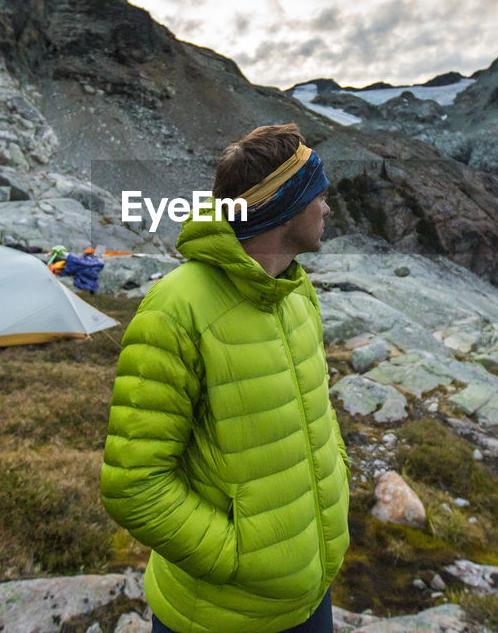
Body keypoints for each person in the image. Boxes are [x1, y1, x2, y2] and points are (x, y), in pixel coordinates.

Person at [100, 124, 350, 633]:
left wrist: (335, 485)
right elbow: (133, 485)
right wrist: (239, 558)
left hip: (310, 594)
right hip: (220, 615)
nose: (327, 208)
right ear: (284, 204)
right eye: (317, 193)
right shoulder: (176, 309)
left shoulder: (297, 294)